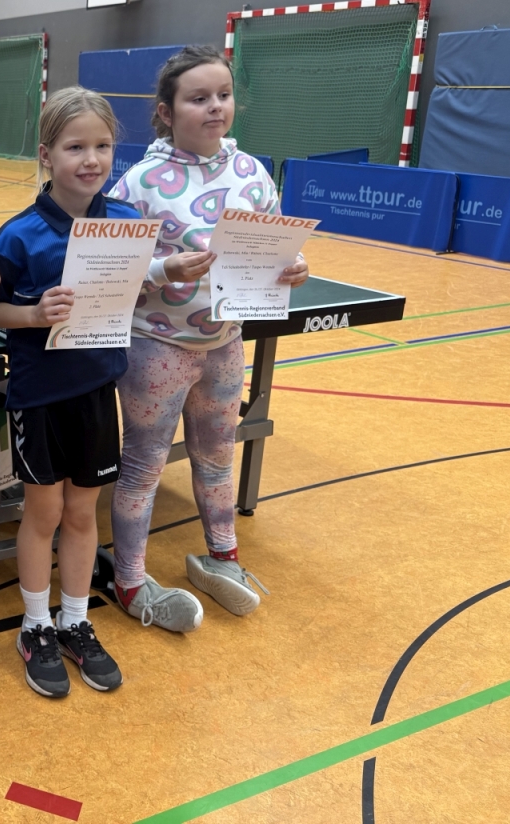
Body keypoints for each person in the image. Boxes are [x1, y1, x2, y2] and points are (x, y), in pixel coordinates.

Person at [105, 45, 308, 632]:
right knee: (142, 467)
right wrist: (163, 269)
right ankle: (130, 579)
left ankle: (224, 556)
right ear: (166, 112)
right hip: (157, 348)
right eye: (198, 98)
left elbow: (276, 250)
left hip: (224, 346)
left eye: (223, 95)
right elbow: (113, 271)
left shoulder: (253, 174)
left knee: (219, 459)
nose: (215, 106)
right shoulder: (140, 184)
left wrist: (293, 268)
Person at [0, 87, 134, 698]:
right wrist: (33, 315)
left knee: (82, 513)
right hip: (40, 396)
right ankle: (35, 625)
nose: (91, 159)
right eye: (75, 147)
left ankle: (75, 620)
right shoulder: (19, 235)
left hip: (96, 391)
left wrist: (168, 273)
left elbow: (139, 284)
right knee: (43, 513)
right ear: (47, 155)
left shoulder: (125, 223)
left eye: (102, 146)